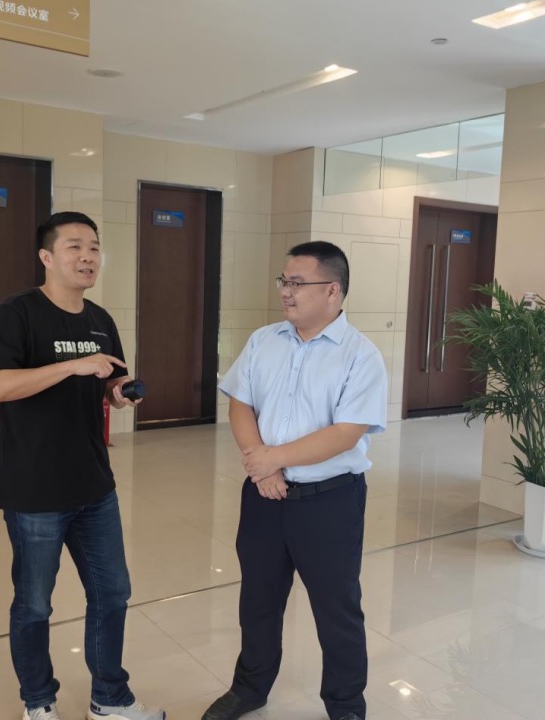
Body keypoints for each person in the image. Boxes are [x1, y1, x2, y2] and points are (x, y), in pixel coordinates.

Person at [0, 211, 165, 720]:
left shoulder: (100, 319)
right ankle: (38, 702)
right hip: (34, 489)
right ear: (47, 257)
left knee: (113, 593)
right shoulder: (17, 312)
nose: (88, 257)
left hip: (94, 484)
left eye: (95, 248)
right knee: (34, 603)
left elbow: (108, 382)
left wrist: (119, 394)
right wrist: (71, 366)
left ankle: (110, 698)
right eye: (75, 247)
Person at [202, 241, 388, 720]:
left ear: (332, 290)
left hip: (329, 501)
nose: (286, 291)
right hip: (263, 496)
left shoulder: (360, 356)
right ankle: (250, 688)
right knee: (258, 600)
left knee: (337, 608)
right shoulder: (264, 340)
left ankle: (345, 704)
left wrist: (273, 460)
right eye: (284, 281)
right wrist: (261, 465)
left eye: (297, 283)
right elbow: (240, 402)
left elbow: (346, 433)